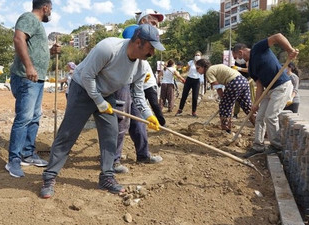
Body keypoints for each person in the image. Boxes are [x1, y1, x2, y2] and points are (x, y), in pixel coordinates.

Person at [40, 24, 165, 198]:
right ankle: (49, 176)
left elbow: (137, 93)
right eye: (150, 48)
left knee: (110, 133)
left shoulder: (141, 66)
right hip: (82, 89)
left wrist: (148, 115)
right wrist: (98, 101)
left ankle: (107, 176)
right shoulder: (108, 48)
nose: (151, 54)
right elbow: (87, 76)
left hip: (106, 93)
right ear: (138, 42)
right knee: (68, 133)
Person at [6, 0, 57, 178]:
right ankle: (13, 159)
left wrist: (52, 51)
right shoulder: (28, 18)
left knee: (34, 117)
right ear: (45, 7)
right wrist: (29, 67)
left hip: (37, 79)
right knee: (24, 118)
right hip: (26, 77)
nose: (50, 12)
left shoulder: (37, 25)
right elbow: (19, 39)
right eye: (50, 8)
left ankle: (28, 154)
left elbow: (34, 49)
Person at [113, 9, 165, 174]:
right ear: (143, 22)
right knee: (122, 120)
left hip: (135, 84)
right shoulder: (132, 31)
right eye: (154, 23)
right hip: (123, 81)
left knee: (139, 120)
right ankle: (113, 161)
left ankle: (143, 154)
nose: (156, 27)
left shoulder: (149, 40)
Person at [232, 33, 298, 158]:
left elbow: (278, 37)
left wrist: (290, 50)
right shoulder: (251, 67)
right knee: (259, 117)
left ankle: (276, 146)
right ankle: (258, 146)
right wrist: (255, 104)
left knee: (270, 116)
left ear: (241, 52)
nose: (237, 60)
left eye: (236, 57)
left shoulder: (258, 48)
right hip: (268, 90)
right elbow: (259, 85)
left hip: (281, 86)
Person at [195, 60, 255, 133]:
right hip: (243, 81)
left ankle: (226, 130)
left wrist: (223, 98)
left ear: (203, 67)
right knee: (247, 107)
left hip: (234, 82)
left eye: (198, 68)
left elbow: (218, 86)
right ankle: (261, 127)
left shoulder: (208, 72)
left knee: (224, 106)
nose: (197, 70)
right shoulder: (214, 67)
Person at [175, 51, 202, 117]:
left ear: (201, 56)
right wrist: (187, 68)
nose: (197, 56)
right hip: (189, 79)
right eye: (196, 55)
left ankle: (194, 111)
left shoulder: (201, 63)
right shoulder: (191, 62)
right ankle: (180, 109)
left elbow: (202, 72)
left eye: (198, 55)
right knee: (184, 95)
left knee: (195, 97)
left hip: (196, 80)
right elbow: (186, 70)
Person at [231, 54, 255, 119]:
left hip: (248, 79)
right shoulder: (235, 60)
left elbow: (248, 70)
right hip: (240, 79)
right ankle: (235, 114)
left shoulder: (247, 59)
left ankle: (253, 113)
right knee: (237, 97)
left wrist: (239, 68)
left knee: (251, 97)